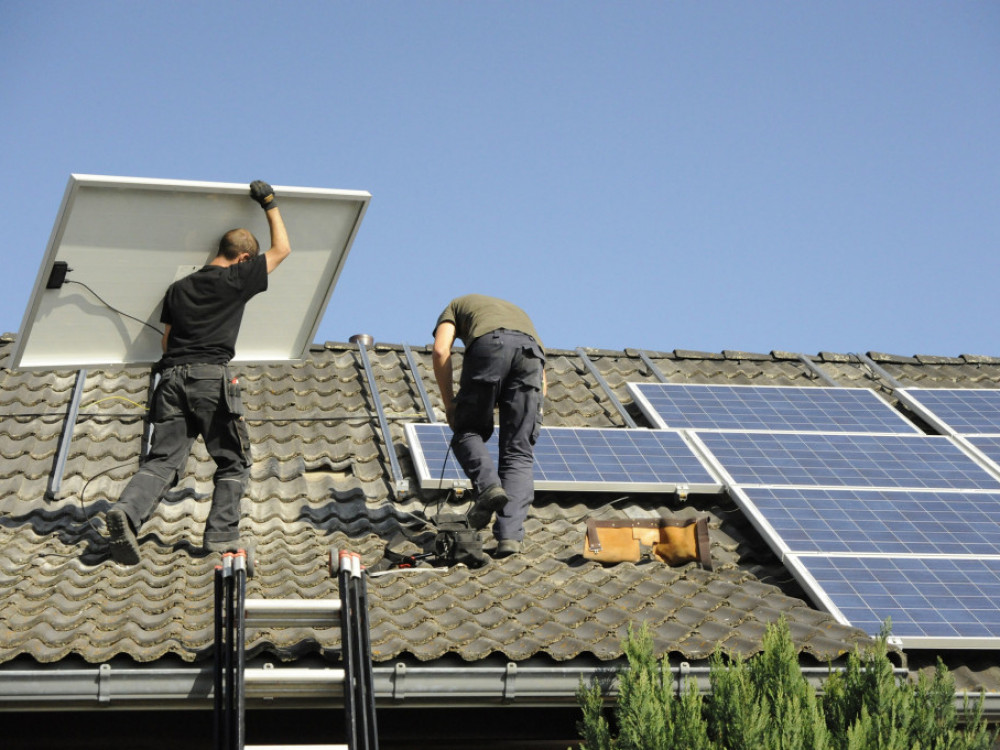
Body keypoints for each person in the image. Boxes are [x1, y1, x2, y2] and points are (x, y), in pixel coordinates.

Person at [106, 180, 290, 565]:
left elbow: (166, 342)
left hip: (170, 381)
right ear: (243, 258)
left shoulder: (177, 288)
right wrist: (269, 203)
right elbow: (282, 250)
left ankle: (126, 512)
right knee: (233, 459)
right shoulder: (237, 279)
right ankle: (221, 537)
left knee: (162, 460)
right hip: (210, 379)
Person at [432, 294, 546, 557]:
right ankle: (509, 538)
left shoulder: (456, 305)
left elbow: (440, 349)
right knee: (519, 453)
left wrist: (451, 406)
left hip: (489, 346)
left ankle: (488, 488)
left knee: (467, 430)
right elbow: (542, 382)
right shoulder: (520, 313)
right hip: (532, 357)